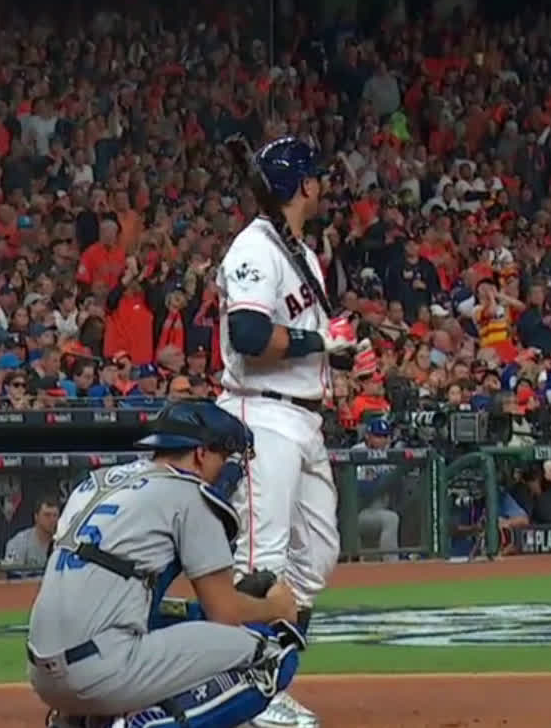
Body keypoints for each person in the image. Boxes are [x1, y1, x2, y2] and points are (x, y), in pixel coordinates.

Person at [28, 400, 304, 728]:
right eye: (225, 457)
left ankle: (76, 722)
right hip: (100, 673)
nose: (228, 469)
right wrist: (274, 607)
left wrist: (194, 613)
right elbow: (226, 614)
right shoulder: (190, 494)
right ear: (201, 453)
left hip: (43, 676)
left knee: (184, 618)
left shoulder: (95, 482)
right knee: (272, 651)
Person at [215, 136, 364, 727]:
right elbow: (250, 336)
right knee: (259, 561)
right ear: (304, 185)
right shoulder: (255, 247)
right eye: (316, 176)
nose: (321, 185)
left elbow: (302, 337)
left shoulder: (300, 250)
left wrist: (335, 352)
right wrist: (321, 341)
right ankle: (240, 695)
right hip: (261, 413)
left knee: (316, 557)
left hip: (303, 416)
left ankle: (266, 681)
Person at [354, 417, 401, 561]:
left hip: (380, 509)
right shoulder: (358, 452)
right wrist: (383, 480)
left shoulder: (391, 453)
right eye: (378, 436)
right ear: (368, 436)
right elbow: (361, 489)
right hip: (359, 512)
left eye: (385, 436)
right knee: (391, 519)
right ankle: (391, 567)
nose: (382, 440)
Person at [3, 495, 61, 570]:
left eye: (55, 516)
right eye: (47, 515)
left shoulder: (62, 542)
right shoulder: (19, 542)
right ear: (36, 517)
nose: (52, 520)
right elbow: (12, 574)